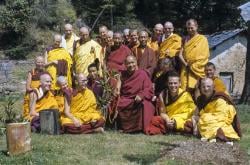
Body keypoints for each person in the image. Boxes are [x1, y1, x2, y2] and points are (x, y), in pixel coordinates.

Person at [114, 55, 155, 133]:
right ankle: (124, 127)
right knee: (119, 103)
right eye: (128, 63)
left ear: (136, 63)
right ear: (125, 65)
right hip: (126, 98)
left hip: (137, 98)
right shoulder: (122, 74)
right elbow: (118, 88)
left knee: (145, 104)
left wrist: (141, 95)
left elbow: (149, 88)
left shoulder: (142, 73)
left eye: (132, 62)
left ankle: (138, 128)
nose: (131, 65)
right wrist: (117, 90)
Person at [191, 78, 241, 142]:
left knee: (205, 119)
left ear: (213, 87)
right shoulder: (201, 99)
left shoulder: (219, 99)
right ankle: (215, 136)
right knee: (189, 123)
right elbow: (195, 115)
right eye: (203, 87)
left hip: (220, 122)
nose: (206, 89)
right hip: (206, 122)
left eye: (208, 86)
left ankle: (218, 135)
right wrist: (195, 124)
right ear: (200, 88)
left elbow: (221, 117)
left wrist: (203, 118)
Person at [179, 19, 210, 94]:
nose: (190, 30)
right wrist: (186, 64)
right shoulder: (185, 39)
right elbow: (180, 54)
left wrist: (193, 66)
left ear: (196, 27)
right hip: (186, 68)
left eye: (192, 28)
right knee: (184, 90)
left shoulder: (202, 39)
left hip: (197, 69)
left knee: (197, 90)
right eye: (188, 28)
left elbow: (204, 56)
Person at [23, 56, 45, 121]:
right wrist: (35, 90)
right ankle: (32, 113)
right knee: (33, 94)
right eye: (38, 62)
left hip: (43, 93)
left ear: (44, 63)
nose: (40, 64)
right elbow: (27, 88)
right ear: (35, 63)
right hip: (33, 93)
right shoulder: (31, 72)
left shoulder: (46, 72)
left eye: (41, 62)